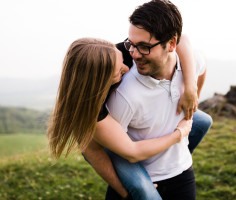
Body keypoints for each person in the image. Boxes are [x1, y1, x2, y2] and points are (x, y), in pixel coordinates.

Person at [46, 38, 206, 199]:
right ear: (102, 80)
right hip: (113, 144)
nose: (127, 68)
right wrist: (179, 134)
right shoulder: (95, 112)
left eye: (123, 62)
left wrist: (191, 89)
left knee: (202, 122)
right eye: (120, 71)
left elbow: (181, 39)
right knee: (143, 191)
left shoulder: (117, 52)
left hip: (129, 136)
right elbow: (125, 152)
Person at [85, 0, 213, 199]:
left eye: (144, 47)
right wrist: (126, 190)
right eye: (132, 45)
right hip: (141, 173)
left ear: (171, 44)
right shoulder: (124, 94)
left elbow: (199, 64)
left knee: (203, 121)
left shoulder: (189, 62)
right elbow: (94, 147)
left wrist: (192, 91)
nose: (134, 55)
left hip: (182, 172)